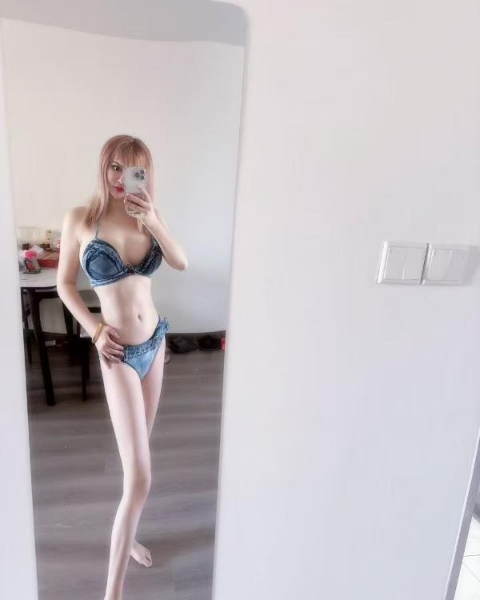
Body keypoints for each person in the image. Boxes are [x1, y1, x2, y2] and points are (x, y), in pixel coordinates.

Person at [57, 134, 188, 600]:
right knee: (141, 476)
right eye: (114, 166)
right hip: (116, 354)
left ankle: (128, 535)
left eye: (133, 170)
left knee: (139, 459)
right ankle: (112, 592)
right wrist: (93, 329)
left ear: (145, 175)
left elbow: (180, 261)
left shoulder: (147, 215)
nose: (120, 178)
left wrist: (152, 220)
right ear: (103, 167)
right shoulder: (81, 219)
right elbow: (64, 284)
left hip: (154, 343)